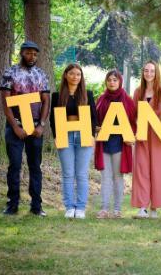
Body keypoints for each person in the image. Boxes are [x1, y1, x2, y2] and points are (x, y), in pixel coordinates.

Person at [0, 41, 50, 216]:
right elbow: (5, 102)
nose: (32, 57)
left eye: (35, 54)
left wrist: (41, 125)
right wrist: (15, 126)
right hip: (16, 125)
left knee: (35, 166)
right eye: (28, 53)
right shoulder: (10, 72)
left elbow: (46, 101)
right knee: (14, 165)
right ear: (21, 53)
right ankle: (12, 204)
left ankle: (37, 206)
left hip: (35, 125)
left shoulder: (41, 74)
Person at [49, 63, 98, 219]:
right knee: (68, 174)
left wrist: (91, 135)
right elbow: (53, 119)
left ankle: (81, 208)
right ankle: (69, 207)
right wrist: (57, 136)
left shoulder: (87, 94)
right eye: (72, 74)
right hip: (65, 136)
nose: (75, 77)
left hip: (84, 135)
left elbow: (93, 117)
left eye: (78, 74)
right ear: (66, 75)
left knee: (82, 174)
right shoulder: (57, 96)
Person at [94, 70, 136, 219]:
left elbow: (133, 122)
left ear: (120, 82)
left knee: (118, 177)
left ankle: (117, 210)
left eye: (115, 80)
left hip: (120, 144)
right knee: (105, 177)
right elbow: (95, 121)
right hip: (104, 144)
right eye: (109, 80)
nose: (112, 82)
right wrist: (96, 127)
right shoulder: (101, 100)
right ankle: (104, 209)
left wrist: (131, 135)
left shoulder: (127, 100)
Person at [131, 61, 161, 219]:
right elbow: (133, 113)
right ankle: (142, 207)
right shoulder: (138, 92)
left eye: (152, 71)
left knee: (157, 171)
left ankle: (155, 207)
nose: (148, 73)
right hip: (142, 135)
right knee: (141, 170)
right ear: (143, 72)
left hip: (158, 136)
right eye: (146, 70)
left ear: (156, 73)